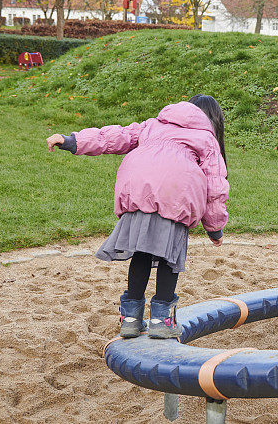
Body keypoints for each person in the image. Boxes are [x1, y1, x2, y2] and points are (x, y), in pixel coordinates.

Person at [46, 95, 229, 339]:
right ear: (213, 119)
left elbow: (113, 137)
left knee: (142, 253)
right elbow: (215, 187)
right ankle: (162, 320)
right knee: (169, 257)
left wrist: (71, 141)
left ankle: (130, 319)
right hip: (175, 193)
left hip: (139, 188)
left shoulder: (153, 124)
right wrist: (214, 228)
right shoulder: (206, 138)